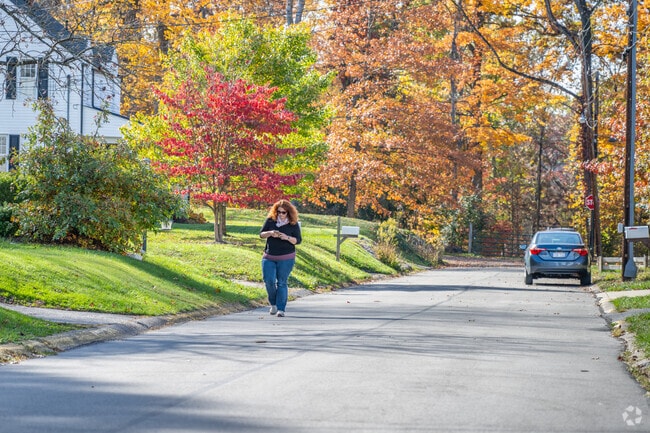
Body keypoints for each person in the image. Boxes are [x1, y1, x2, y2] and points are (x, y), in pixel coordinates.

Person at [259, 199, 302, 317]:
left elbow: (297, 240)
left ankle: (281, 309)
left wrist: (287, 237)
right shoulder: (270, 221)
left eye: (284, 212)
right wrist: (270, 233)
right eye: (279, 212)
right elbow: (261, 234)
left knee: (282, 282)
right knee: (269, 281)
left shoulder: (293, 224)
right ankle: (273, 304)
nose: (281, 214)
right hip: (269, 256)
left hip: (286, 257)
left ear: (289, 213)